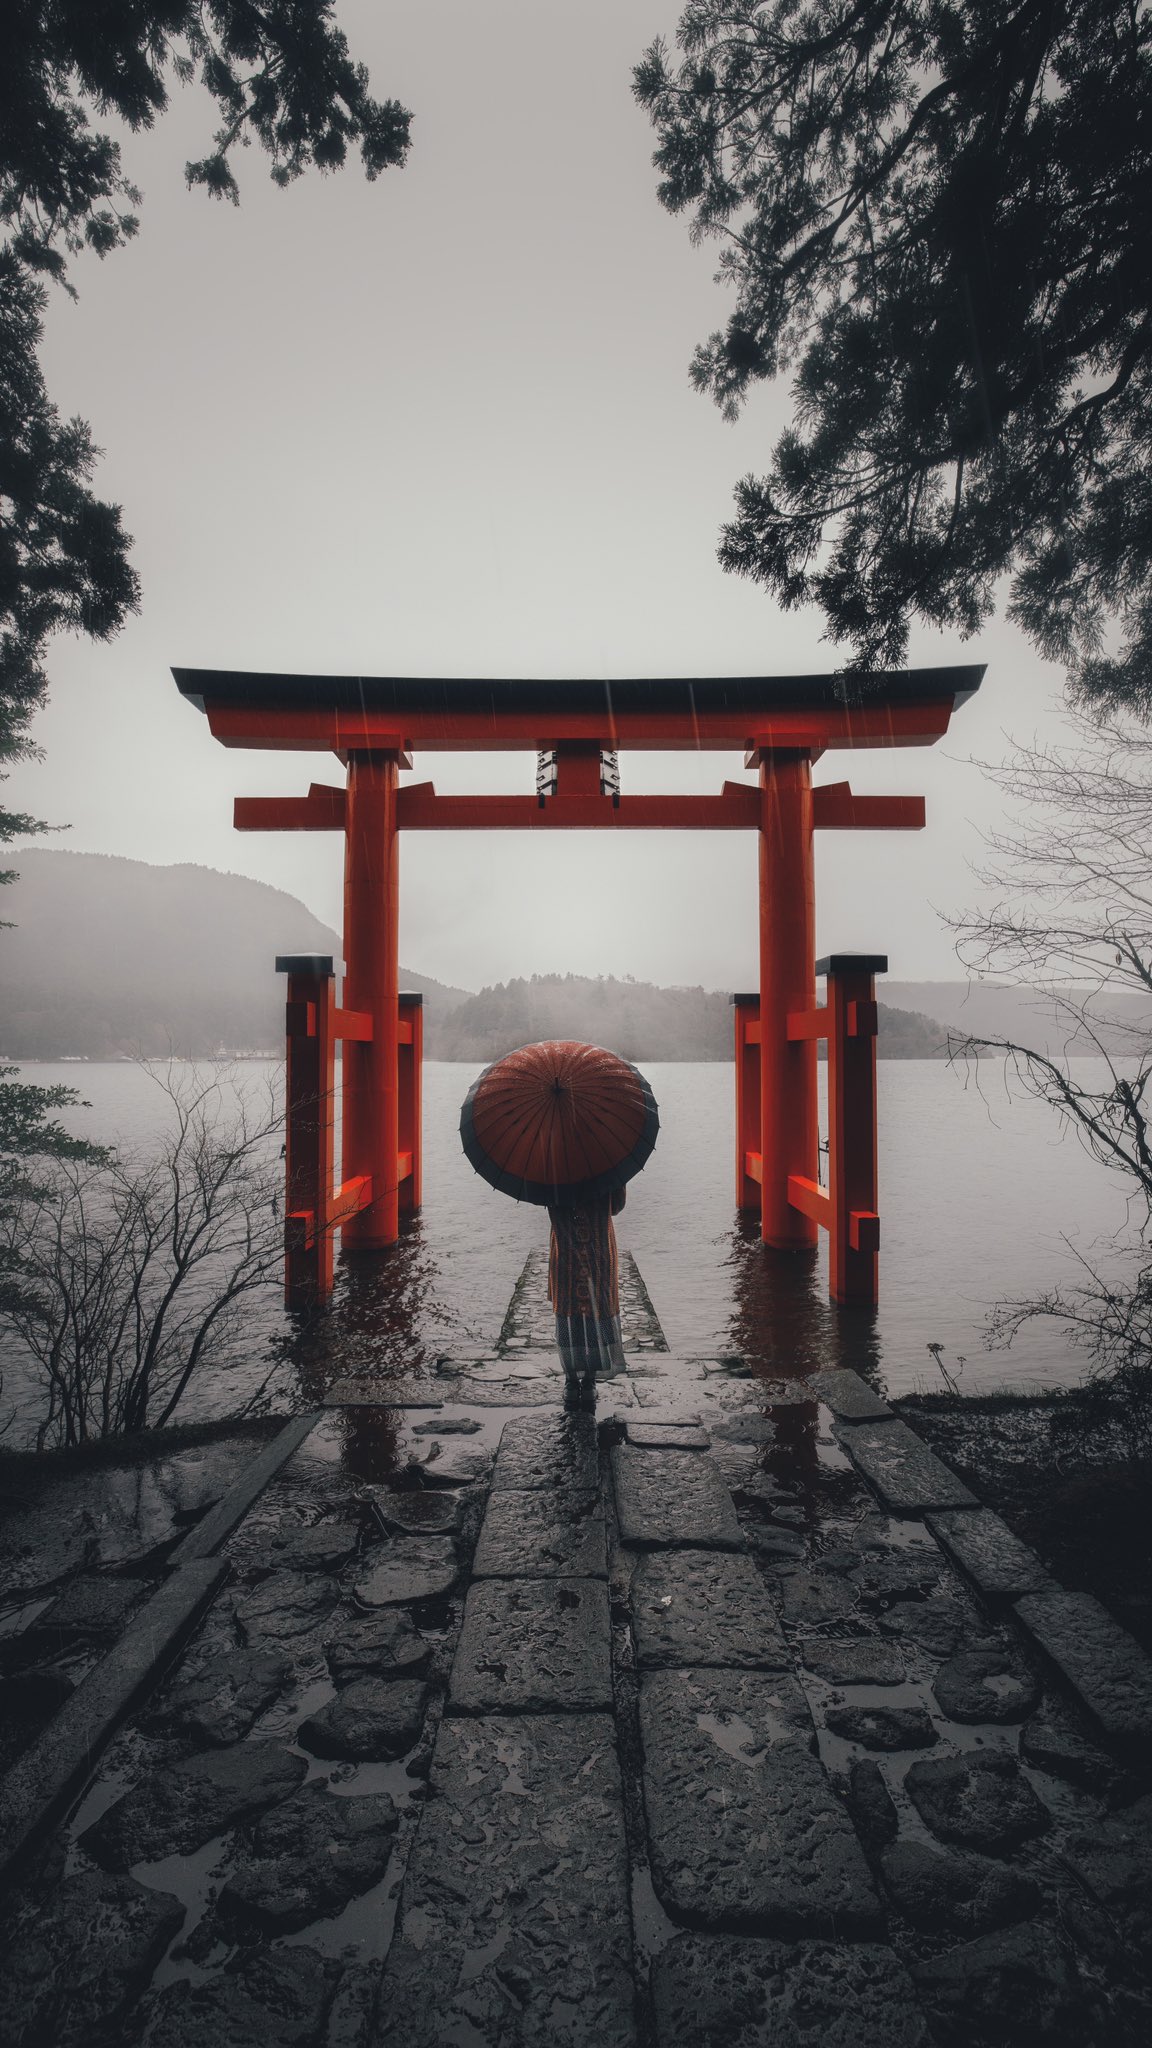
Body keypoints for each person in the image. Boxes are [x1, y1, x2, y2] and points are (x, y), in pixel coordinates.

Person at [547, 1184, 627, 1408]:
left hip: (565, 1248)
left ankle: (571, 1381)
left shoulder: (550, 1166)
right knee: (595, 1311)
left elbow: (544, 1201)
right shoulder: (604, 1164)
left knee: (568, 1314)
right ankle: (590, 1381)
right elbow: (617, 1206)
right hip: (598, 1246)